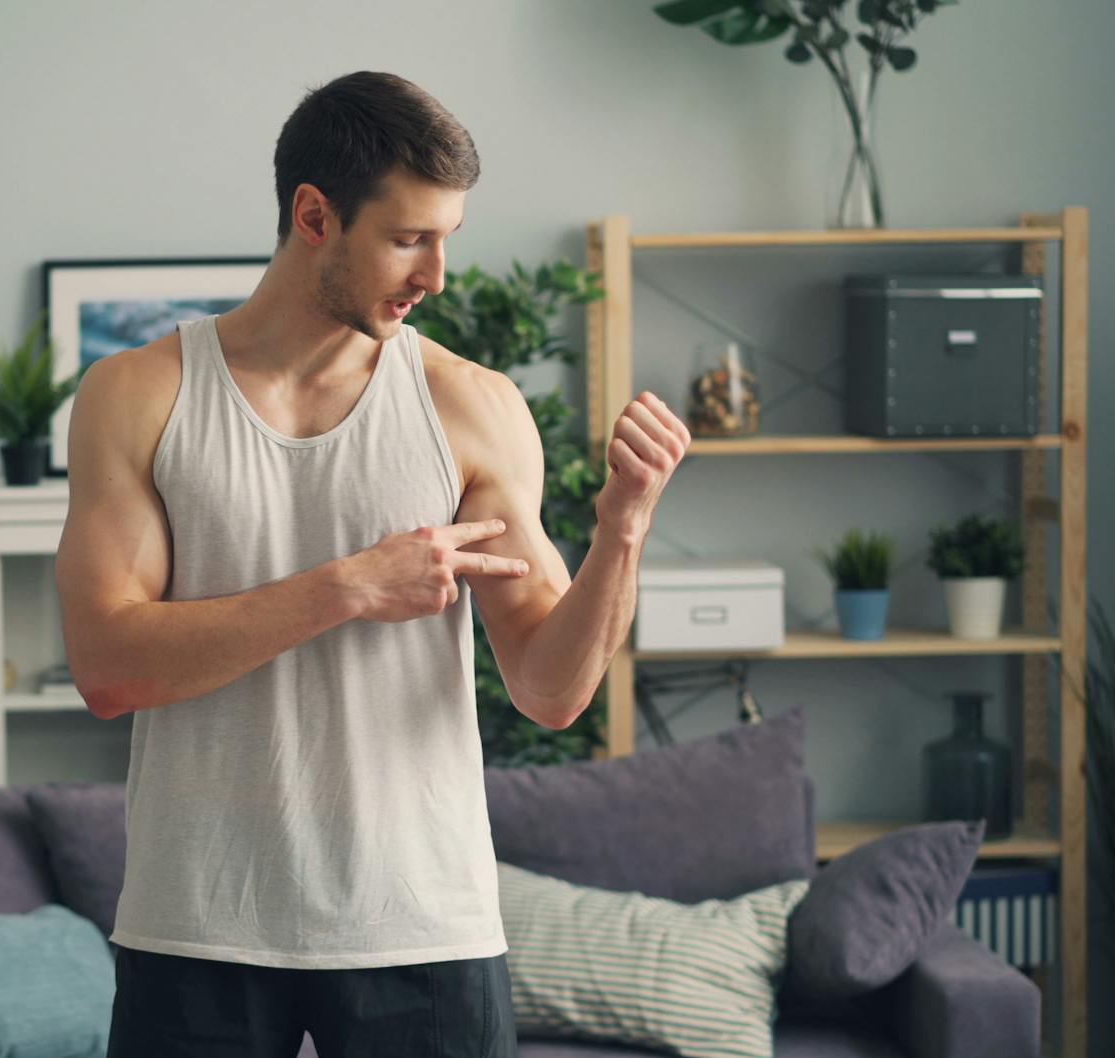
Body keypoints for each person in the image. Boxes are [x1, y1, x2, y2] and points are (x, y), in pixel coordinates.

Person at [56, 69, 689, 1058]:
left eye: (447, 238)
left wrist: (621, 534)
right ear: (313, 214)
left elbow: (550, 689)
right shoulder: (138, 394)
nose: (436, 273)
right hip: (196, 924)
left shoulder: (469, 407)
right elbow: (107, 665)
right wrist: (347, 584)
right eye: (407, 237)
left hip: (422, 927)